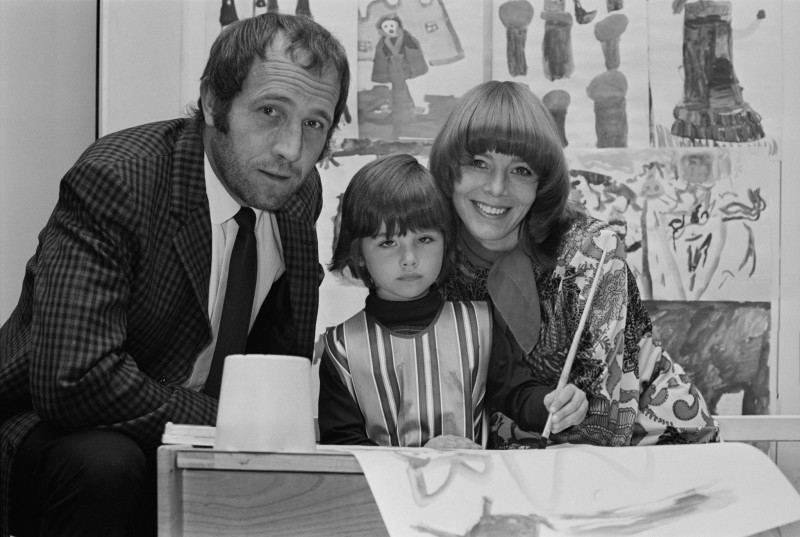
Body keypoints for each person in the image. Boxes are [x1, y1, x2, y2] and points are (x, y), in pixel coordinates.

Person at [0, 13, 349, 537]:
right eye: (270, 111)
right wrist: (230, 426)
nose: (291, 150)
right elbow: (73, 379)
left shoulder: (295, 193)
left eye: (314, 123)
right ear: (213, 102)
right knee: (108, 463)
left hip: (198, 437)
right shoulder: (119, 176)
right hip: (57, 429)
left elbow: (277, 361)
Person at [428, 80, 719, 448]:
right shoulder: (428, 251)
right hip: (514, 473)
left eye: (520, 170)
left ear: (542, 182)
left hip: (654, 448)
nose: (497, 188)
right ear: (449, 168)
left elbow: (603, 418)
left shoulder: (592, 251)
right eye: (479, 163)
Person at [317, 153, 588, 449]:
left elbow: (518, 395)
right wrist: (421, 458)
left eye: (424, 240)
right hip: (386, 495)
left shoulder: (480, 324)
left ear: (446, 243)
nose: (409, 259)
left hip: (477, 492)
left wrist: (553, 404)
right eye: (388, 243)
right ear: (358, 254)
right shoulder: (340, 348)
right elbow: (343, 446)